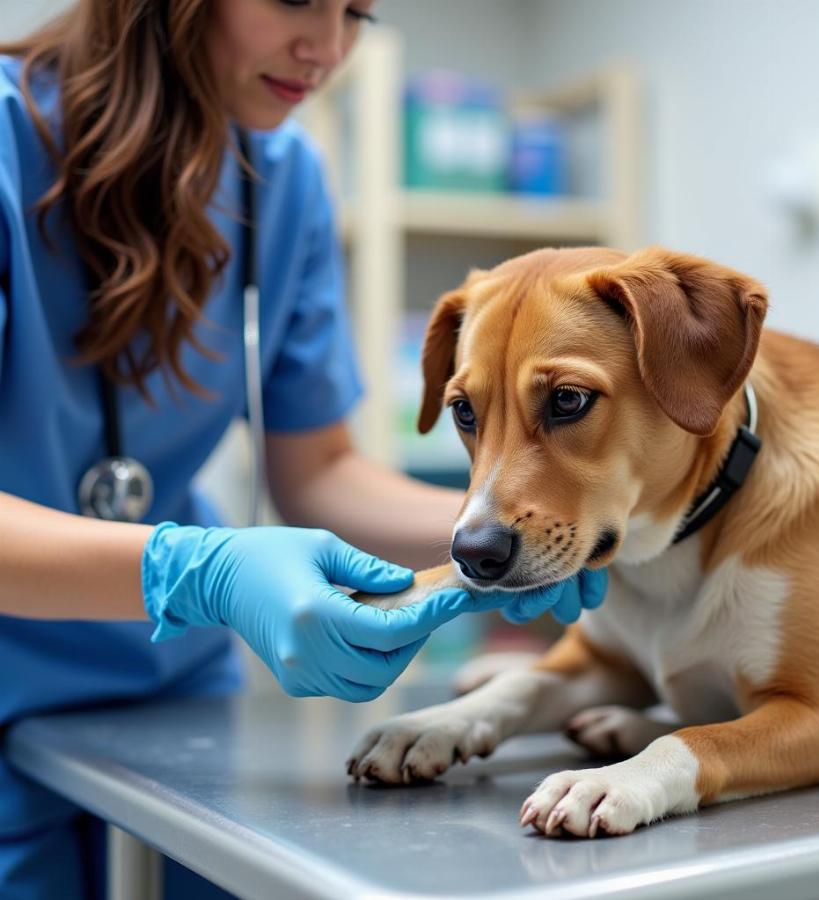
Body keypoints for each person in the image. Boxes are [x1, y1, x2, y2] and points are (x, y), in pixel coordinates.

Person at [0, 1, 608, 896]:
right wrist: (194, 571)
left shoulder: (279, 177)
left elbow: (317, 470)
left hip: (172, 699)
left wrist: (497, 531)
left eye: (355, 10)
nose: (327, 48)